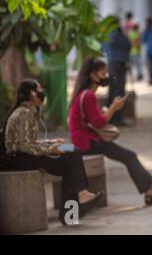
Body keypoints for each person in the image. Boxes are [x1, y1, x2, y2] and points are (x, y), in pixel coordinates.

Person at [68, 57, 152, 205]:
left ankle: (151, 189)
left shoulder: (84, 94)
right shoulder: (88, 95)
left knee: (129, 156)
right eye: (103, 73)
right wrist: (113, 108)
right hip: (86, 142)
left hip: (85, 139)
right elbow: (98, 123)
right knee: (129, 156)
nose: (106, 77)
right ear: (92, 75)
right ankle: (151, 189)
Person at [4, 79, 103, 224]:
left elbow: (29, 142)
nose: (42, 93)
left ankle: (72, 212)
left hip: (26, 154)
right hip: (20, 158)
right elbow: (24, 147)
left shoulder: (29, 111)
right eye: (39, 90)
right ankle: (79, 200)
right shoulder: (24, 113)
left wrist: (51, 143)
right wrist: (50, 149)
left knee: (73, 151)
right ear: (32, 93)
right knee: (70, 160)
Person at [102, 17, 131, 126]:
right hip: (119, 64)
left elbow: (103, 47)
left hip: (111, 64)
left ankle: (110, 118)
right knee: (119, 91)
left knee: (112, 90)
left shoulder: (106, 35)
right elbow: (128, 45)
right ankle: (118, 119)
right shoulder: (117, 34)